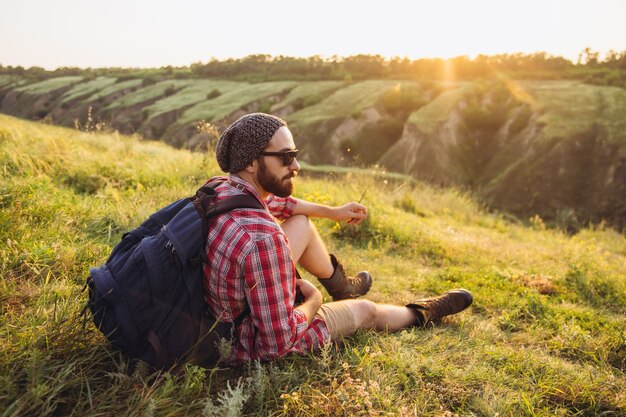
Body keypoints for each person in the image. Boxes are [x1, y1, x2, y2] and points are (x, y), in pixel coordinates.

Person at [203, 113, 473, 364]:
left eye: (295, 155)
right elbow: (277, 344)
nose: (296, 165)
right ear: (251, 162)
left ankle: (343, 287)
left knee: (301, 223)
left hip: (224, 306)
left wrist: (334, 212)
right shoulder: (263, 238)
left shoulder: (220, 189)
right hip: (245, 341)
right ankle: (424, 312)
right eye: (286, 157)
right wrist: (313, 301)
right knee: (366, 311)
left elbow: (284, 206)